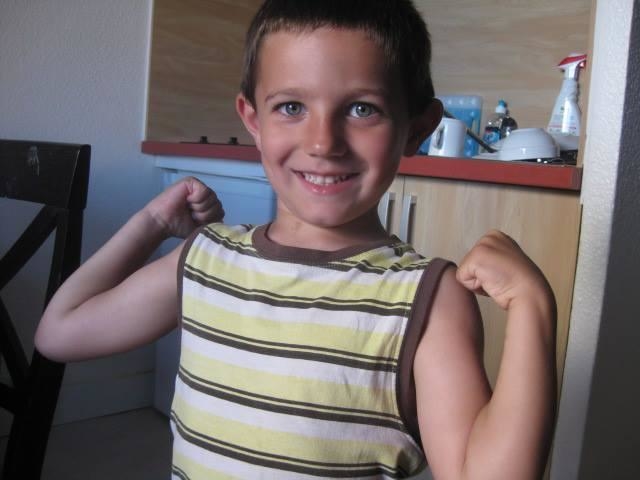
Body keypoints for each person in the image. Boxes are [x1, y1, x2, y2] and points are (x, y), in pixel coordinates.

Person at [36, 0, 557, 478]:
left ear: (417, 128)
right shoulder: (205, 260)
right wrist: (150, 223)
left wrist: (533, 308)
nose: (322, 142)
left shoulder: (426, 298)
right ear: (253, 119)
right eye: (291, 107)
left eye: (362, 109)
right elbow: (60, 332)